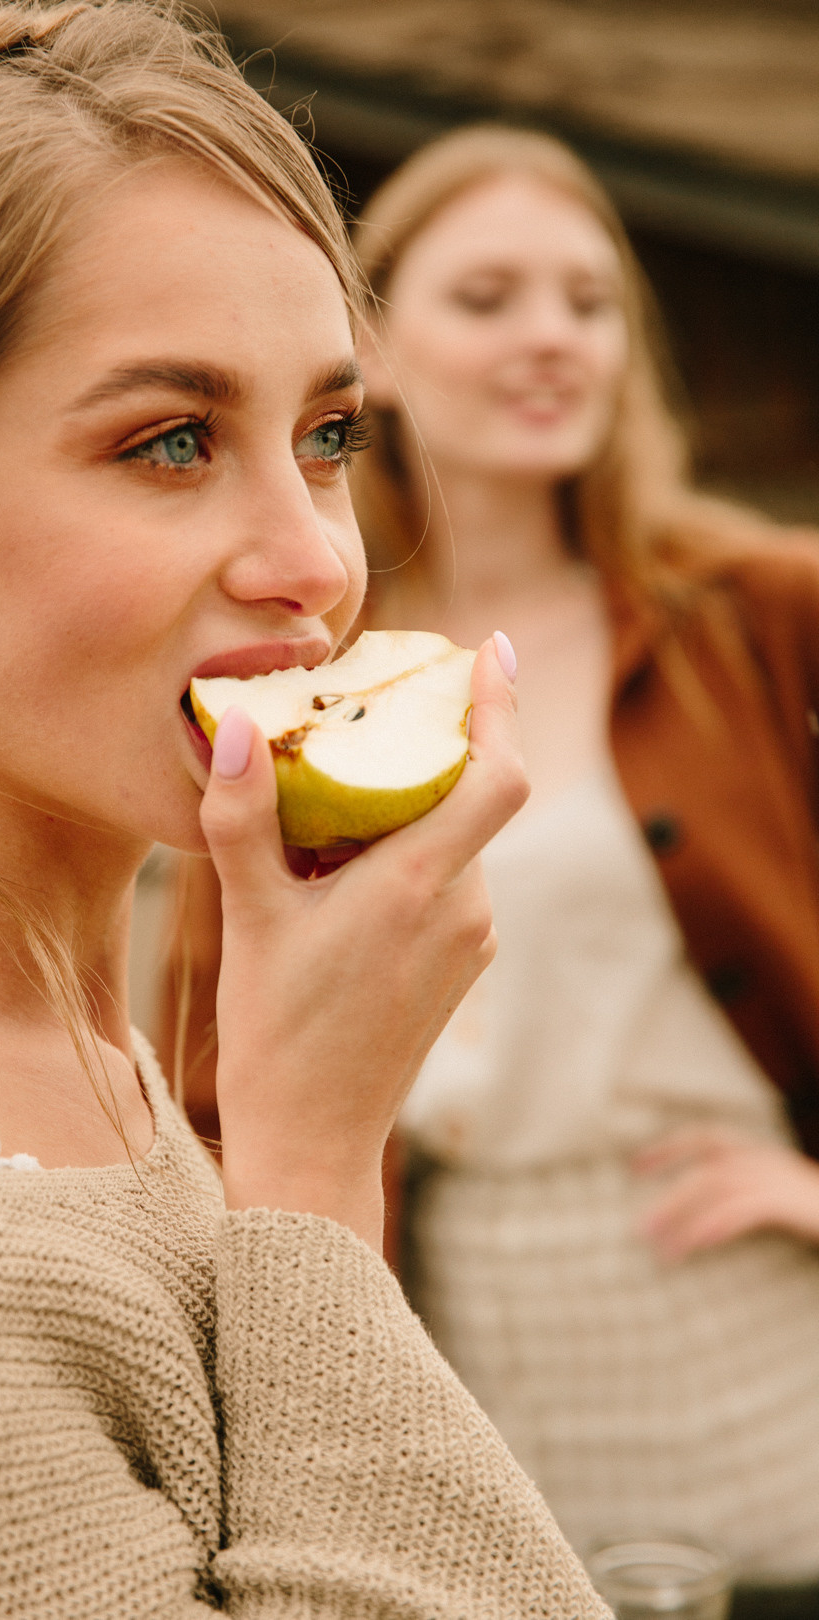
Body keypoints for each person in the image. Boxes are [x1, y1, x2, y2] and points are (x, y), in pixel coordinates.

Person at [0, 11, 611, 1617]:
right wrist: (317, 1173)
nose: (317, 564)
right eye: (170, 443)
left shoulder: (90, 1058)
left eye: (328, 437)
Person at [163, 124, 819, 1613]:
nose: (549, 339)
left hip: (745, 1309)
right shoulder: (289, 668)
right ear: (369, 351)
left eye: (588, 302)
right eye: (489, 298)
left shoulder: (763, 610)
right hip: (444, 1313)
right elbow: (208, 1062)